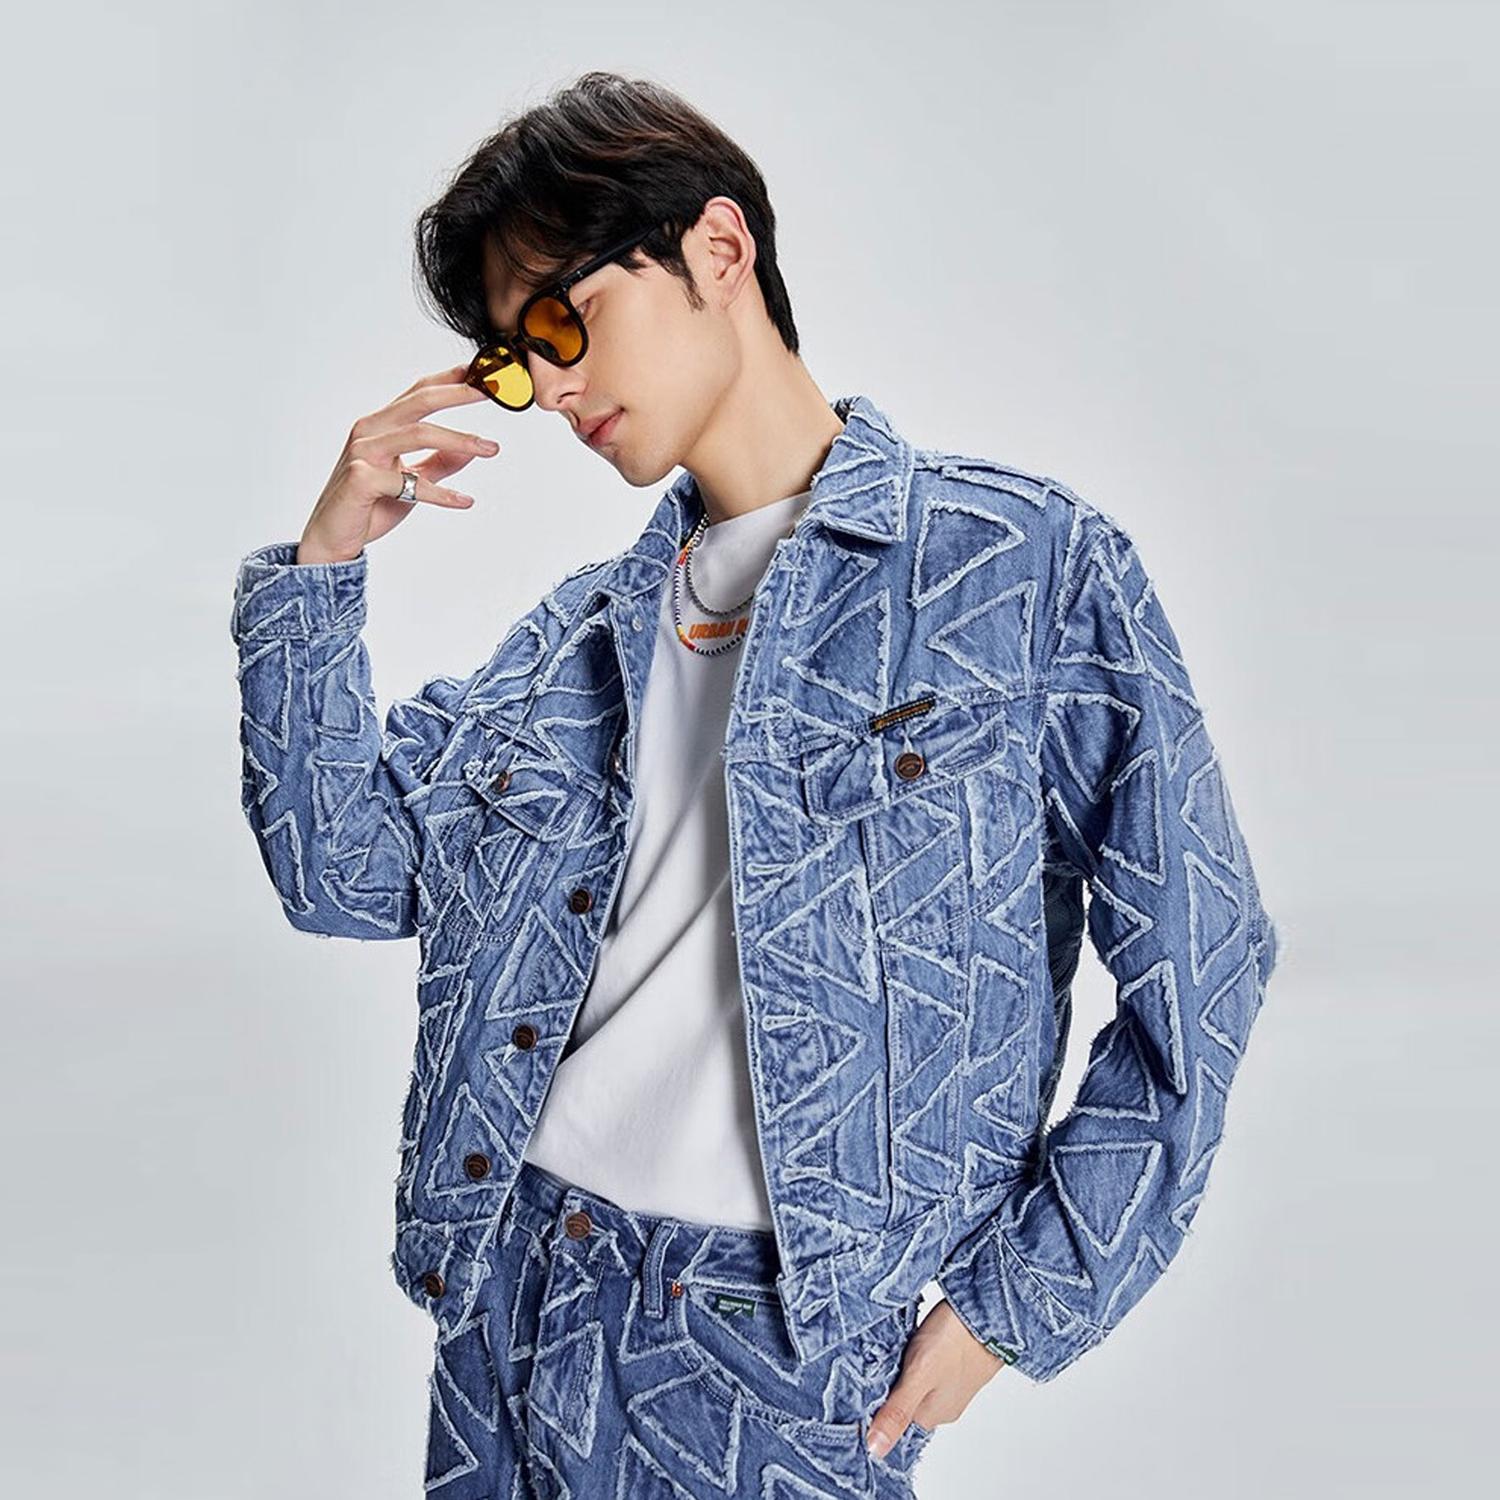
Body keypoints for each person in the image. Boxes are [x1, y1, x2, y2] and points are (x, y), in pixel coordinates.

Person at [229, 71, 1281, 1498]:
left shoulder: (1018, 571)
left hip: (773, 1350)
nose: (552, 387)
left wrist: (1019, 1304)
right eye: (514, 361)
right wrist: (324, 568)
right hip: (516, 1300)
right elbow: (342, 873)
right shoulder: (575, 643)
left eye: (562, 322)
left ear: (716, 249)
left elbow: (1204, 957)